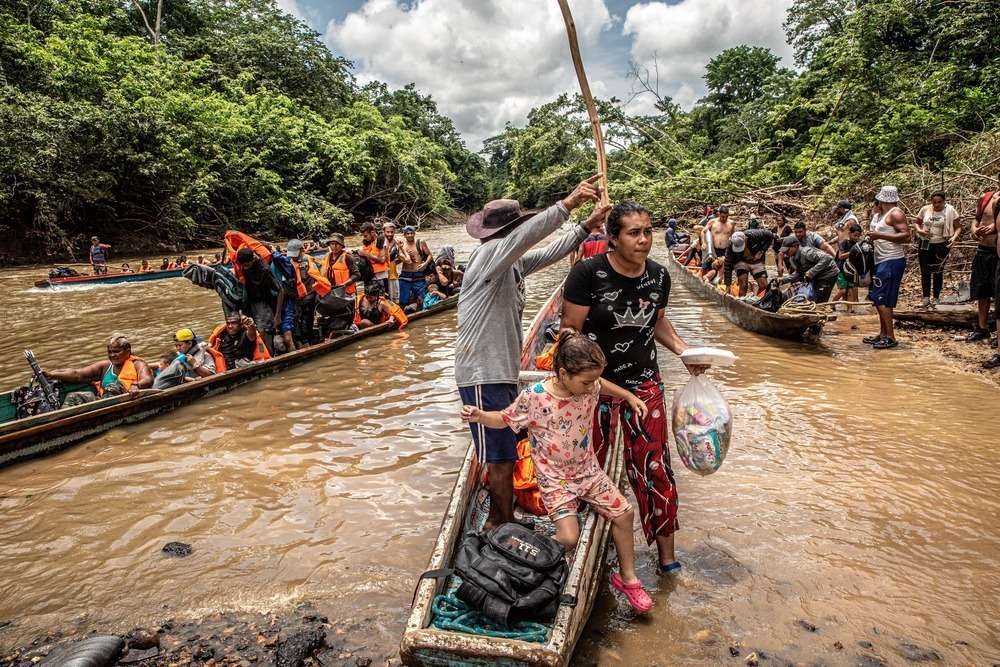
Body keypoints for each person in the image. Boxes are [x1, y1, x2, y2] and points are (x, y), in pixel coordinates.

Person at [561, 201, 710, 574]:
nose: (644, 240)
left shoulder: (660, 276)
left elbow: (657, 323)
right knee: (584, 465)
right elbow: (568, 334)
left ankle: (667, 559)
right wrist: (588, 380)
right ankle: (576, 549)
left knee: (655, 467)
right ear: (612, 238)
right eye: (633, 233)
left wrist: (684, 351)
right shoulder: (587, 274)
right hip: (592, 388)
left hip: (644, 384)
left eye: (648, 231)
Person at [455, 174, 607, 531]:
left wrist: (585, 227)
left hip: (500, 368)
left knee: (505, 444)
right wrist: (568, 204)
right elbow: (529, 236)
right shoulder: (489, 256)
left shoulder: (510, 263)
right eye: (517, 231)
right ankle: (499, 520)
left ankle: (503, 517)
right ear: (508, 232)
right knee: (500, 453)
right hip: (482, 370)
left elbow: (548, 252)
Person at [461, 332, 653, 612]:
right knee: (568, 538)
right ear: (563, 373)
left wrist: (628, 396)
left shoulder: (589, 385)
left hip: (589, 473)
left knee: (624, 514)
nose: (591, 388)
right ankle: (519, 558)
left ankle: (627, 579)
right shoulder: (535, 397)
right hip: (556, 482)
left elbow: (602, 385)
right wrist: (480, 416)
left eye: (593, 381)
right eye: (586, 382)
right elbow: (505, 419)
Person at [44, 334, 154, 404]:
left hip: (125, 399)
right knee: (73, 396)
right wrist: (53, 375)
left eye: (116, 351)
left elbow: (148, 379)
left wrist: (136, 385)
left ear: (128, 350)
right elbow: (78, 375)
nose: (112, 355)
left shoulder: (137, 364)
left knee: (112, 387)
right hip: (102, 401)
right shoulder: (105, 366)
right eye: (109, 352)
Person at [864, 185, 911, 349]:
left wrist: (880, 235)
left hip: (892, 259)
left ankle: (890, 336)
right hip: (881, 259)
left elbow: (907, 236)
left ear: (882, 199)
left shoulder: (896, 213)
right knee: (885, 299)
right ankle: (883, 333)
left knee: (878, 297)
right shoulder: (881, 215)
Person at [914, 190, 962, 307]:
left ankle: (936, 297)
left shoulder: (950, 211)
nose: (936, 205)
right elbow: (917, 223)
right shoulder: (925, 209)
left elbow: (958, 227)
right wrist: (920, 231)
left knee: (938, 270)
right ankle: (926, 297)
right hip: (925, 242)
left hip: (941, 243)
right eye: (934, 202)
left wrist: (954, 238)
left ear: (944, 201)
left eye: (939, 202)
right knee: (925, 270)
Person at [234, 246, 281, 354]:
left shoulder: (264, 269)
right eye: (243, 266)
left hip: (263, 304)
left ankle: (270, 358)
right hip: (251, 302)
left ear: (253, 260)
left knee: (263, 334)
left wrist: (277, 315)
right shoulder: (244, 265)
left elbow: (280, 290)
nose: (245, 268)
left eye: (247, 265)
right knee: (251, 331)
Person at [286, 238, 333, 346]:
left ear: (301, 250)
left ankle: (310, 340)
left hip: (309, 295)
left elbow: (320, 272)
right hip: (297, 298)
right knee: (299, 321)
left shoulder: (309, 261)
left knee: (307, 321)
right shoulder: (290, 262)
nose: (293, 256)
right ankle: (305, 340)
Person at [967, 191, 999, 345]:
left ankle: (999, 335)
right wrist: (974, 231)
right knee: (982, 290)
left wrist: (993, 227)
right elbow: (976, 219)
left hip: (997, 252)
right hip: (983, 249)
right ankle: (982, 327)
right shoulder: (986, 197)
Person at [781, 236, 839, 303]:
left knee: (820, 300)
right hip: (817, 275)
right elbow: (798, 273)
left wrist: (812, 272)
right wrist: (783, 280)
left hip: (828, 273)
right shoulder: (793, 258)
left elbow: (828, 258)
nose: (785, 253)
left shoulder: (807, 253)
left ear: (794, 247)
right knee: (812, 297)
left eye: (787, 250)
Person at [722, 229, 777, 297]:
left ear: (746, 239)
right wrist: (727, 285)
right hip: (741, 261)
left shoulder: (755, 234)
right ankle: (741, 300)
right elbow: (728, 263)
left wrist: (762, 251)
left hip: (756, 261)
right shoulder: (731, 245)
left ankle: (758, 300)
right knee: (743, 285)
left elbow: (770, 236)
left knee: (764, 285)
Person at [398, 225, 433, 309]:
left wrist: (425, 264)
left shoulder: (420, 242)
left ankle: (420, 313)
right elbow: (400, 258)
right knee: (403, 300)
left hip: (418, 274)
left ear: (414, 233)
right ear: (404, 235)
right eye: (408, 233)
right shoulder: (402, 245)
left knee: (421, 298)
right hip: (405, 275)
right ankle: (404, 315)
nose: (410, 235)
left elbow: (429, 256)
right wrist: (405, 255)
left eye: (411, 233)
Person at [831, 223, 863, 308]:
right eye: (855, 235)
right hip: (842, 270)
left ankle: (849, 310)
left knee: (851, 290)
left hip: (852, 271)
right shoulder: (844, 243)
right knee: (843, 291)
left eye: (858, 236)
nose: (856, 238)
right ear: (849, 233)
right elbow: (840, 256)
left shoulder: (858, 245)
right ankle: (832, 304)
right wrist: (852, 253)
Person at [358, 222, 389, 294]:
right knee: (368, 299)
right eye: (363, 236)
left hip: (380, 277)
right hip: (369, 276)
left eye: (366, 236)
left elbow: (382, 259)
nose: (365, 238)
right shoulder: (367, 242)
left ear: (372, 232)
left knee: (380, 299)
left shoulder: (381, 240)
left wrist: (366, 254)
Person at [701, 205, 735, 271]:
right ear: (719, 214)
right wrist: (703, 243)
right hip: (714, 249)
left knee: (724, 269)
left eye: (726, 217)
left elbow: (732, 235)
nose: (724, 218)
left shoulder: (731, 223)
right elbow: (703, 231)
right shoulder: (712, 222)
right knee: (712, 268)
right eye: (722, 217)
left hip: (726, 249)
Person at [382, 222, 401, 302]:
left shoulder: (396, 244)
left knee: (395, 302)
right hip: (383, 276)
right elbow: (384, 258)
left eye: (392, 232)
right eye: (388, 232)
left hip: (393, 275)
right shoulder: (380, 243)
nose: (390, 234)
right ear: (383, 232)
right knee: (385, 300)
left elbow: (398, 260)